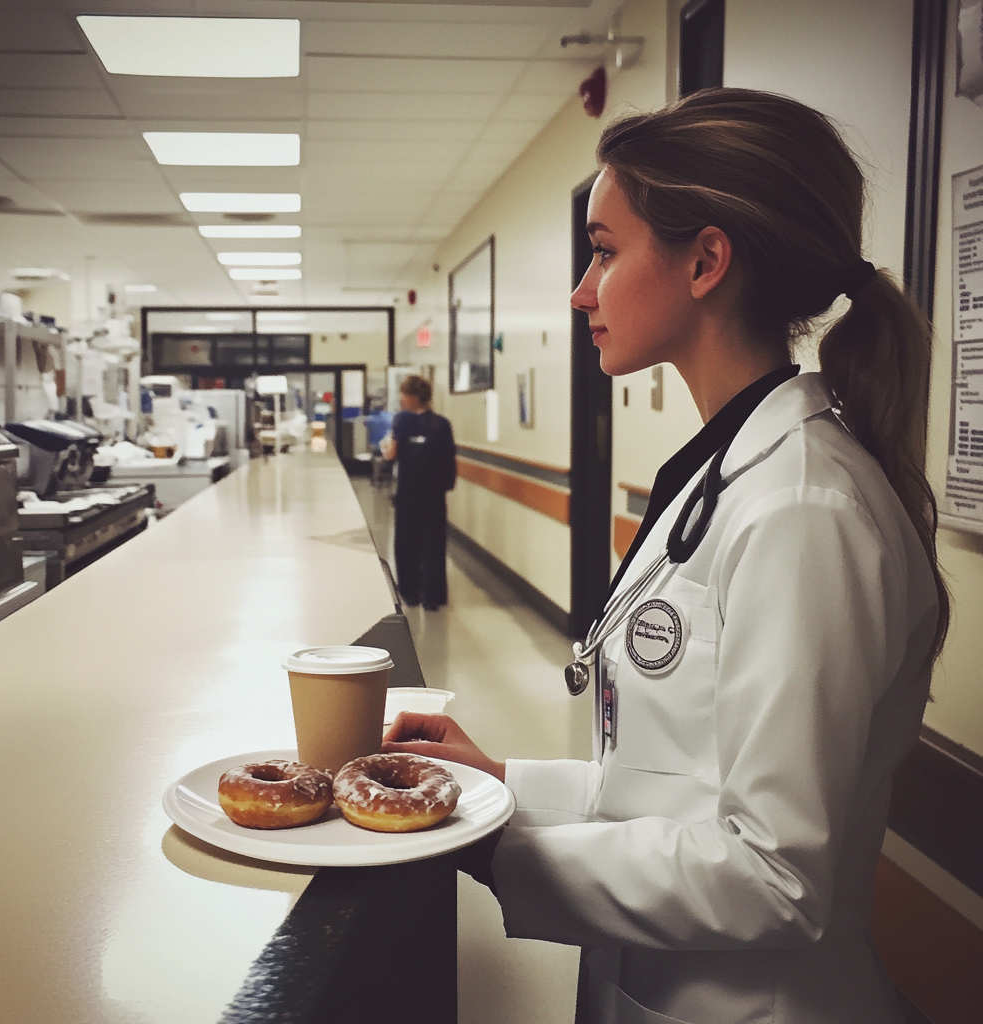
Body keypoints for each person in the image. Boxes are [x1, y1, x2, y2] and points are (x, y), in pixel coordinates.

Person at [383, 88, 948, 1024]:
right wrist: (502, 786)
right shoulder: (729, 468)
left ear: (706, 260)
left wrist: (492, 848)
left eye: (603, 250)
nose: (579, 290)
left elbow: (775, 874)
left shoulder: (805, 509)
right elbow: (684, 782)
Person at [381, 374, 456, 610]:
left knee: (407, 542)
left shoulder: (401, 420)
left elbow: (391, 453)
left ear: (413, 397)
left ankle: (410, 592)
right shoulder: (442, 424)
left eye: (404, 395)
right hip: (434, 494)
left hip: (408, 492)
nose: (402, 399)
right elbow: (449, 460)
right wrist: (445, 486)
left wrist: (386, 451)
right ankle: (433, 596)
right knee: (433, 544)